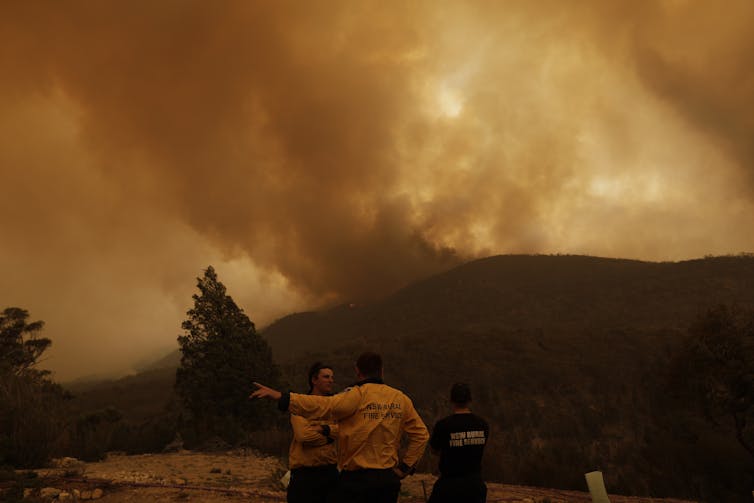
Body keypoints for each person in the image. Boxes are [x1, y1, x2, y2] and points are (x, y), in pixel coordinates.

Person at [251, 351, 429, 503]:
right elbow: (421, 435)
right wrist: (405, 468)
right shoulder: (400, 398)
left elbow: (322, 405)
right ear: (381, 371)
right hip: (387, 480)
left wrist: (281, 397)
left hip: (356, 480)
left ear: (357, 371)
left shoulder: (355, 395)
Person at [286, 362, 339, 503]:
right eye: (326, 377)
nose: (331, 381)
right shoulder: (299, 405)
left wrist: (325, 429)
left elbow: (343, 430)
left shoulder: (336, 406)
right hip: (304, 474)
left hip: (330, 471)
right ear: (314, 380)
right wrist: (330, 437)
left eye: (332, 377)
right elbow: (304, 436)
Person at [427, 383, 489, 503]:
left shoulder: (443, 425)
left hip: (449, 484)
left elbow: (434, 450)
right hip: (475, 485)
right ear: (470, 400)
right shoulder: (483, 425)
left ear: (451, 400)